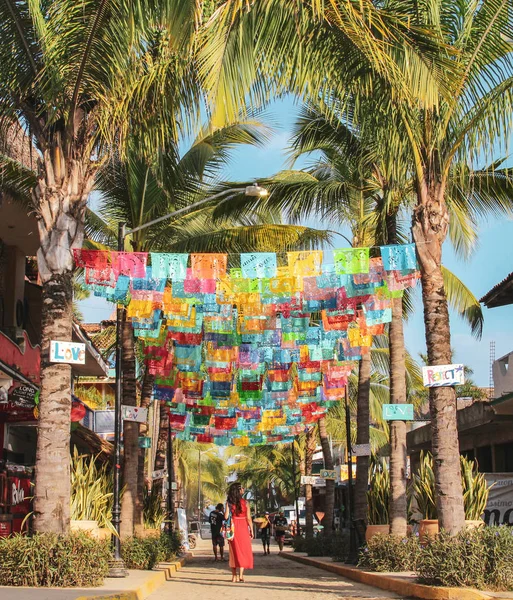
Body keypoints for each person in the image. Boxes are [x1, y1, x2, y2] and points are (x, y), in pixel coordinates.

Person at [225, 482, 254, 582]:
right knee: (243, 551)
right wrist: (252, 530)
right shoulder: (245, 503)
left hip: (233, 528)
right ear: (239, 490)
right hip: (243, 527)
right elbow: (249, 519)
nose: (243, 489)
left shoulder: (229, 502)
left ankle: (234, 576)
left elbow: (225, 516)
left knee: (233, 551)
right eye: (242, 488)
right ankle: (241, 575)